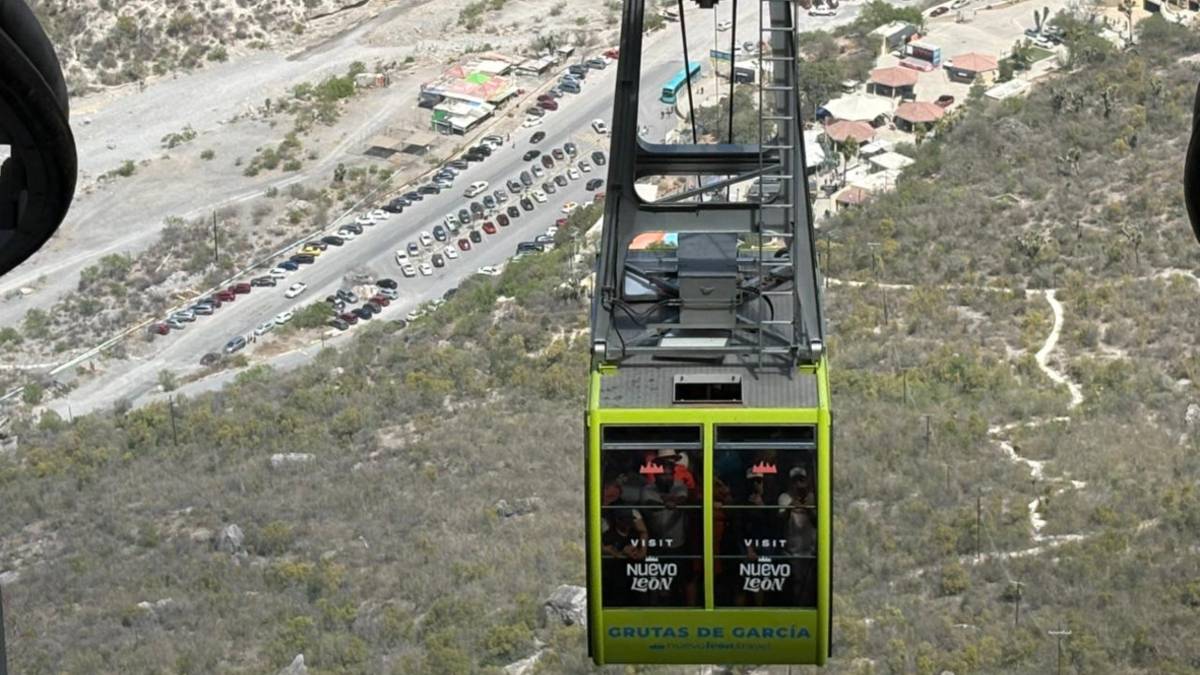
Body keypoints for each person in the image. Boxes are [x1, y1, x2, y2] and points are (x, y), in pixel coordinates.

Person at [777, 465, 817, 606]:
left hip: (810, 550)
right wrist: (790, 507)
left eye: (801, 481)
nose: (798, 485)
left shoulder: (813, 498)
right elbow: (780, 519)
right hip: (792, 551)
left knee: (810, 585)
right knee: (795, 583)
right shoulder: (785, 497)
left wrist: (808, 508)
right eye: (795, 481)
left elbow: (818, 522)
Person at [601, 509, 646, 606]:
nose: (628, 524)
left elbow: (642, 553)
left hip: (635, 578)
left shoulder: (636, 535)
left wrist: (638, 553)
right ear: (618, 520)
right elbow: (607, 552)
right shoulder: (608, 536)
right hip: (616, 579)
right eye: (625, 521)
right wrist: (621, 553)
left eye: (630, 521)